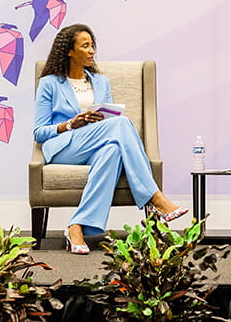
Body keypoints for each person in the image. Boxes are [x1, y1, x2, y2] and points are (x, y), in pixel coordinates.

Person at [34, 24, 187, 254]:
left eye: (92, 46)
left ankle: (76, 227)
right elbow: (39, 132)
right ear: (69, 51)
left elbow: (108, 119)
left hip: (97, 143)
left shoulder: (101, 82)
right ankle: (155, 198)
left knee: (113, 150)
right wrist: (71, 124)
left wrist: (98, 120)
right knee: (122, 124)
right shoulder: (50, 83)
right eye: (85, 46)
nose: (91, 51)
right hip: (65, 147)